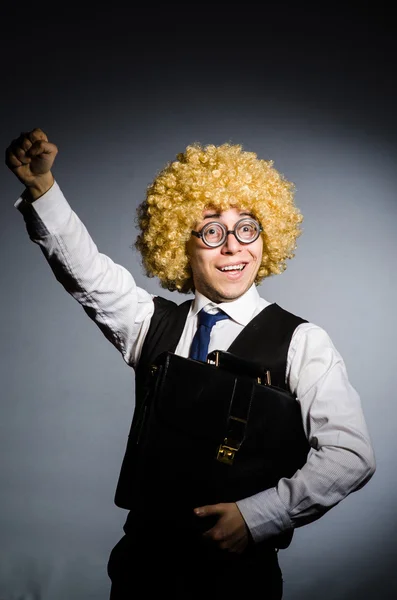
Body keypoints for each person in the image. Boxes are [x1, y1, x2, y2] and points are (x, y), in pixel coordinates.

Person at [6, 128, 376, 599]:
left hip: (239, 580)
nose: (233, 247)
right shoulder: (149, 325)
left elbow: (350, 455)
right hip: (142, 570)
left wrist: (258, 515)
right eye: (211, 230)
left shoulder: (304, 342)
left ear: (266, 236)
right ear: (181, 240)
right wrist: (43, 189)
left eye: (247, 227)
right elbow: (86, 272)